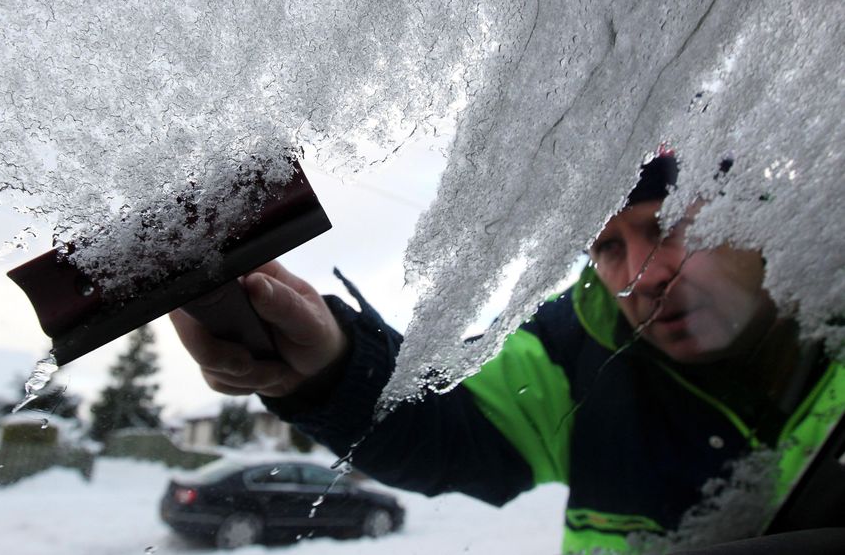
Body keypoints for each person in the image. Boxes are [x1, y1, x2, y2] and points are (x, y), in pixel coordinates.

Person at [170, 155, 845, 553]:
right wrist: (330, 364)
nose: (639, 273)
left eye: (666, 227)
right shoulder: (574, 350)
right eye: (608, 247)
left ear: (753, 219)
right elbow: (446, 428)